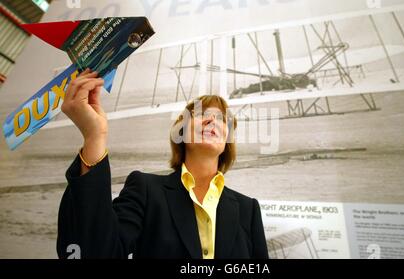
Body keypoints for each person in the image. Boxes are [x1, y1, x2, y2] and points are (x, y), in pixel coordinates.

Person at [56, 69, 269, 259]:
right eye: (200, 114)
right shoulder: (145, 190)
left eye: (221, 118)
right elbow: (99, 251)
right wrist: (95, 136)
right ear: (181, 133)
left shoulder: (248, 209)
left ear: (227, 140)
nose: (211, 120)